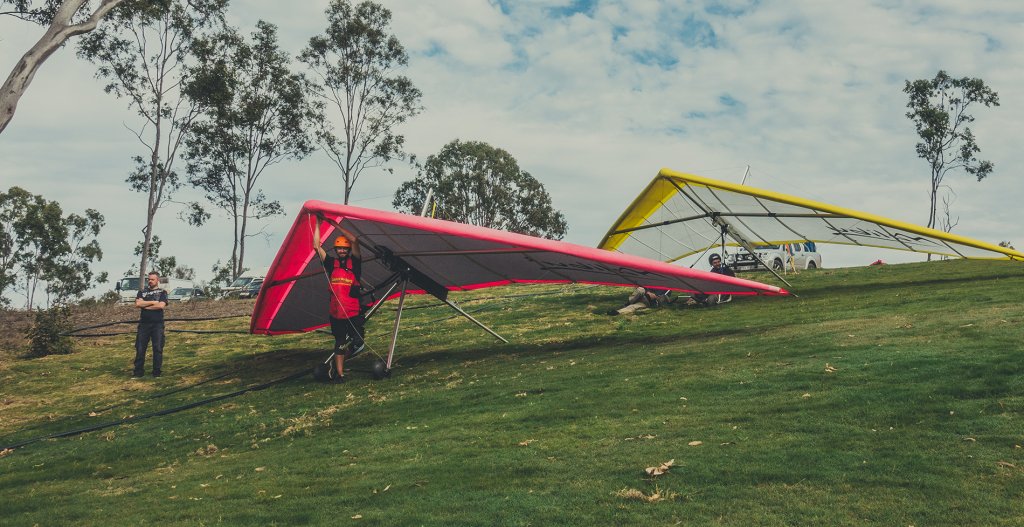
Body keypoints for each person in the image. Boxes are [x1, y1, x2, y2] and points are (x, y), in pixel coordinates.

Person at [314, 217, 364, 383]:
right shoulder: (331, 263)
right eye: (339, 248)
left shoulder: (355, 263)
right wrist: (318, 224)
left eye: (344, 248)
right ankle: (340, 375)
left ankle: (337, 363)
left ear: (348, 250)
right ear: (336, 249)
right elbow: (316, 246)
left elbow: (355, 240)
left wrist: (335, 224)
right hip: (336, 313)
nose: (342, 251)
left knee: (358, 342)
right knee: (340, 343)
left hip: (353, 311)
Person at [134, 271, 168, 377]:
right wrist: (153, 302)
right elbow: (138, 303)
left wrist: (145, 306)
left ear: (157, 280)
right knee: (140, 348)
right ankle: (138, 372)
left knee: (157, 348)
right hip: (144, 324)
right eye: (149, 279)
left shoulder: (162, 292)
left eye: (152, 279)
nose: (150, 281)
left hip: (157, 324)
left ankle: (156, 373)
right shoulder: (142, 292)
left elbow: (161, 306)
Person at [608, 286, 673, 315]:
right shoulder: (653, 282)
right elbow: (642, 288)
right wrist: (647, 292)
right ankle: (628, 303)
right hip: (641, 295)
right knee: (640, 289)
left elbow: (663, 298)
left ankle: (618, 312)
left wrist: (655, 296)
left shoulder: (668, 288)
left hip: (648, 302)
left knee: (633, 307)